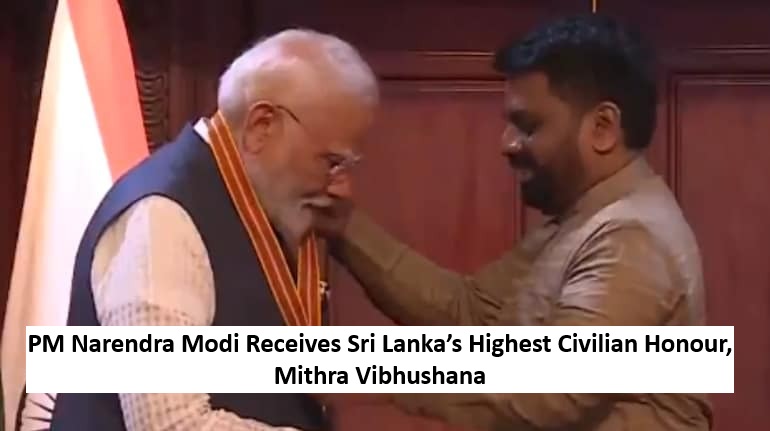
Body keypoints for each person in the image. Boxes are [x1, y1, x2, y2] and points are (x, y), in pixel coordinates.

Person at [320, 14, 712, 431]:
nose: (507, 143)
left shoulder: (630, 236)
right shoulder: (583, 219)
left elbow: (550, 389)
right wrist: (342, 225)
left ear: (603, 127)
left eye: (528, 126)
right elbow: (468, 314)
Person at [48, 29, 378, 431]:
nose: (342, 188)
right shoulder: (162, 218)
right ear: (262, 126)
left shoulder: (266, 204)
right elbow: (171, 423)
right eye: (330, 162)